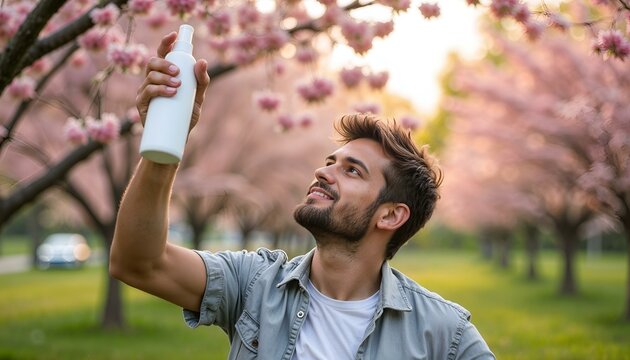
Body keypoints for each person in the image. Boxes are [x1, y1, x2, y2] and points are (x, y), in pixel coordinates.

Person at [110, 32, 495, 360]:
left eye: (351, 170)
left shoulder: (445, 334)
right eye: (331, 161)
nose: (322, 172)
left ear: (391, 216)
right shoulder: (254, 285)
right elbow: (138, 262)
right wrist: (166, 140)